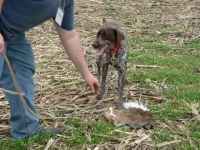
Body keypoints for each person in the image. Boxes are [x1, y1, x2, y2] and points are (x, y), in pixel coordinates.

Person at [0, 0, 100, 139]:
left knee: (22, 71)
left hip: (12, 35)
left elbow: (69, 36)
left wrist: (87, 74)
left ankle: (26, 131)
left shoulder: (64, 2)